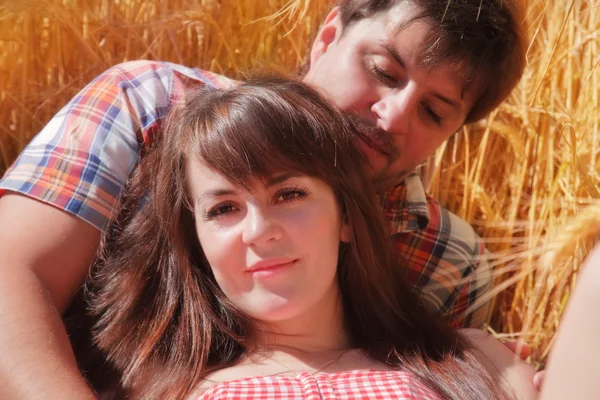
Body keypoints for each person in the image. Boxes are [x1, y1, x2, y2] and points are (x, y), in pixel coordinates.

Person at [0, 0, 527, 398]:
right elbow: (11, 271)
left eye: (433, 112)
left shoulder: (450, 256)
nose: (391, 115)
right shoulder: (152, 104)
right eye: (383, 72)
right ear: (328, 36)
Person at [86, 77, 537, 399]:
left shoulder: (475, 363)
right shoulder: (148, 389)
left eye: (289, 194)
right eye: (224, 208)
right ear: (198, 242)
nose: (259, 231)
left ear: (346, 217)